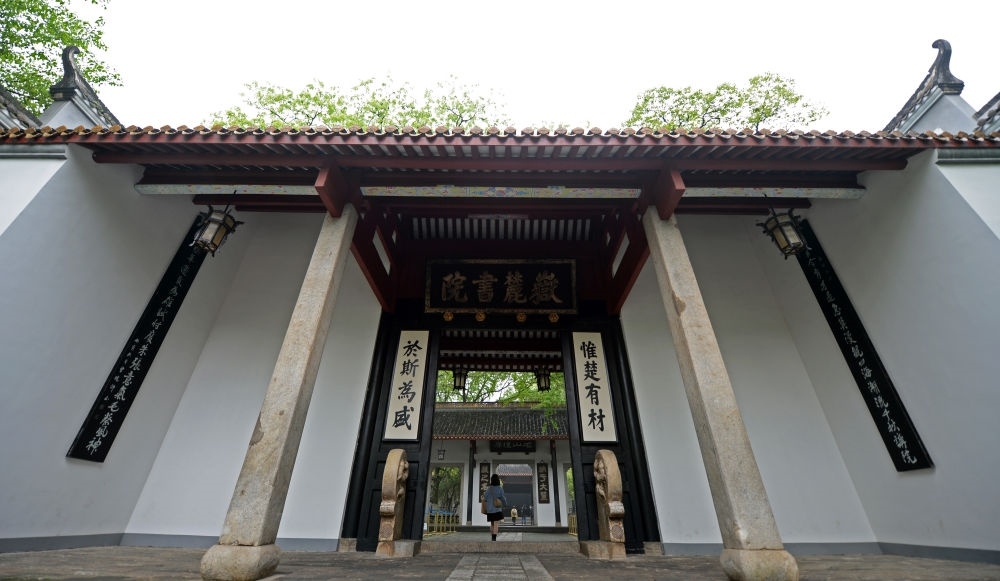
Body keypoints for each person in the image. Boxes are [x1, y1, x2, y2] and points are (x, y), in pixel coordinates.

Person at [483, 473, 507, 541]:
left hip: (490, 510)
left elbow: (485, 498)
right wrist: (505, 504)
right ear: (498, 480)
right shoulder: (500, 488)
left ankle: (492, 537)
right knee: (496, 523)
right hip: (497, 509)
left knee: (492, 524)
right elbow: (503, 498)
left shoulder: (489, 489)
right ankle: (494, 538)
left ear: (492, 480)